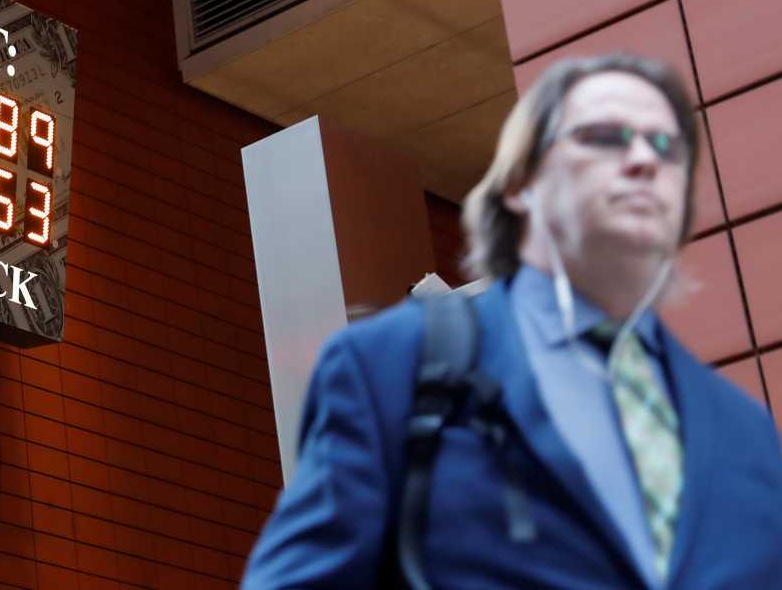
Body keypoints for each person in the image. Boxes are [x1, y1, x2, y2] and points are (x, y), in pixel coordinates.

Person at [242, 53, 782, 588]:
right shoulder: (393, 369)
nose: (638, 165)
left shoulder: (746, 434)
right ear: (521, 185)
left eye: (663, 149)